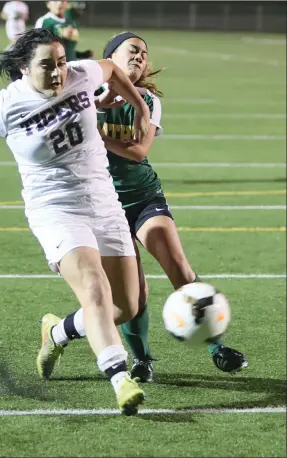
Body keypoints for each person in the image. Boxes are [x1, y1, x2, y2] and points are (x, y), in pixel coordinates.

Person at [0, 28, 152, 415]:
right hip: (54, 209)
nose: (58, 71)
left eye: (61, 62)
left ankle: (56, 331)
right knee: (94, 287)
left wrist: (140, 108)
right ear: (25, 68)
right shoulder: (5, 104)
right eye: (47, 64)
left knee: (126, 305)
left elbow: (110, 67)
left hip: (104, 202)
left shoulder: (79, 74)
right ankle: (119, 379)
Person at [44, 32, 248, 382]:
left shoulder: (147, 100)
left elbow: (139, 151)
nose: (139, 57)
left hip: (143, 196)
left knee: (178, 265)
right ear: (109, 60)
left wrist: (97, 133)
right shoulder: (84, 96)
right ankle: (142, 361)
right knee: (134, 293)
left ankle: (217, 347)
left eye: (144, 54)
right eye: (131, 51)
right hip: (103, 206)